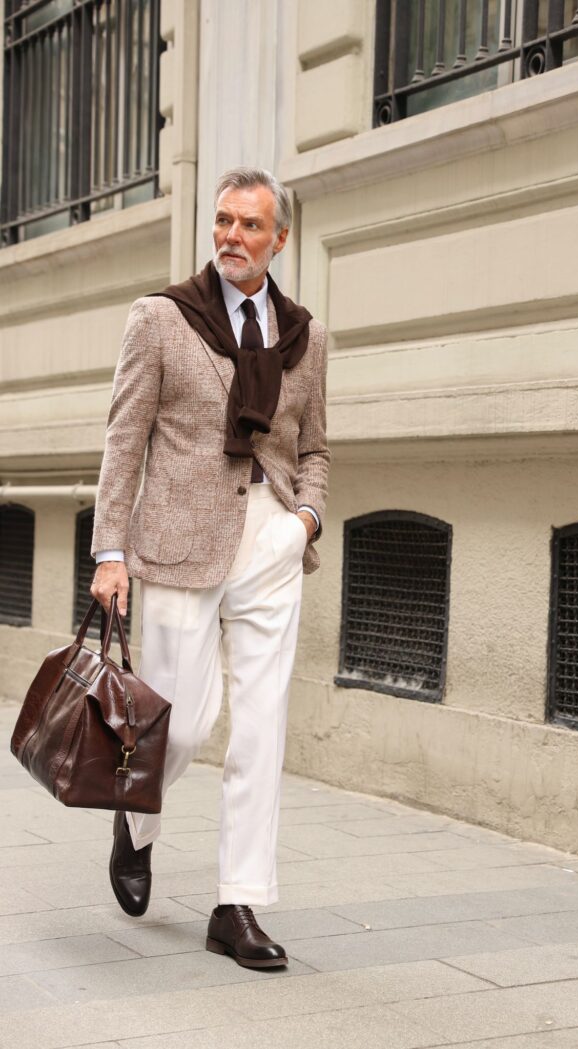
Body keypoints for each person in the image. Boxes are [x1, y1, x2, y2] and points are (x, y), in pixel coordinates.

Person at [90, 167, 330, 969]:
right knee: (178, 723)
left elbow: (316, 447)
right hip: (178, 542)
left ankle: (238, 904)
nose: (231, 236)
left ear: (279, 239)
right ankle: (137, 819)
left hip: (270, 541)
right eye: (223, 221)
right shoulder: (161, 319)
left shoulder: (306, 333)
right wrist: (110, 552)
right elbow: (125, 441)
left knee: (261, 728)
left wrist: (304, 520)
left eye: (249, 226)